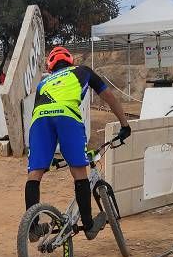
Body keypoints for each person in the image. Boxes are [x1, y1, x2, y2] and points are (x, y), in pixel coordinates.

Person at [25, 46, 131, 241]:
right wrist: (125, 124)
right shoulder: (83, 71)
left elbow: (40, 112)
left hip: (39, 120)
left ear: (50, 67)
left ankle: (31, 228)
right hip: (67, 117)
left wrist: (49, 157)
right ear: (70, 61)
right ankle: (89, 225)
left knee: (35, 173)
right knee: (79, 171)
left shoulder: (43, 83)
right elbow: (109, 98)